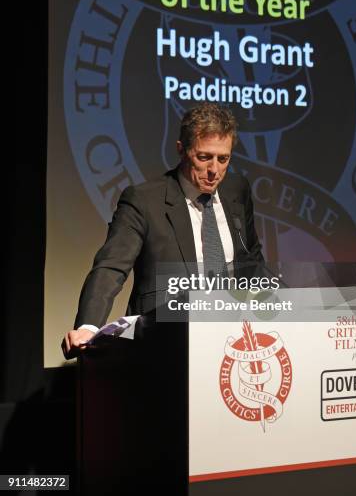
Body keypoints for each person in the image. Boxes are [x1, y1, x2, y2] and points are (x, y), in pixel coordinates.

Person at [62, 103, 264, 359]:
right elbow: (111, 267)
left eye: (223, 159)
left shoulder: (238, 190)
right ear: (182, 150)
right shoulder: (144, 200)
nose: (214, 170)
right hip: (164, 341)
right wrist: (87, 327)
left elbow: (251, 258)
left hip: (232, 337)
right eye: (204, 157)